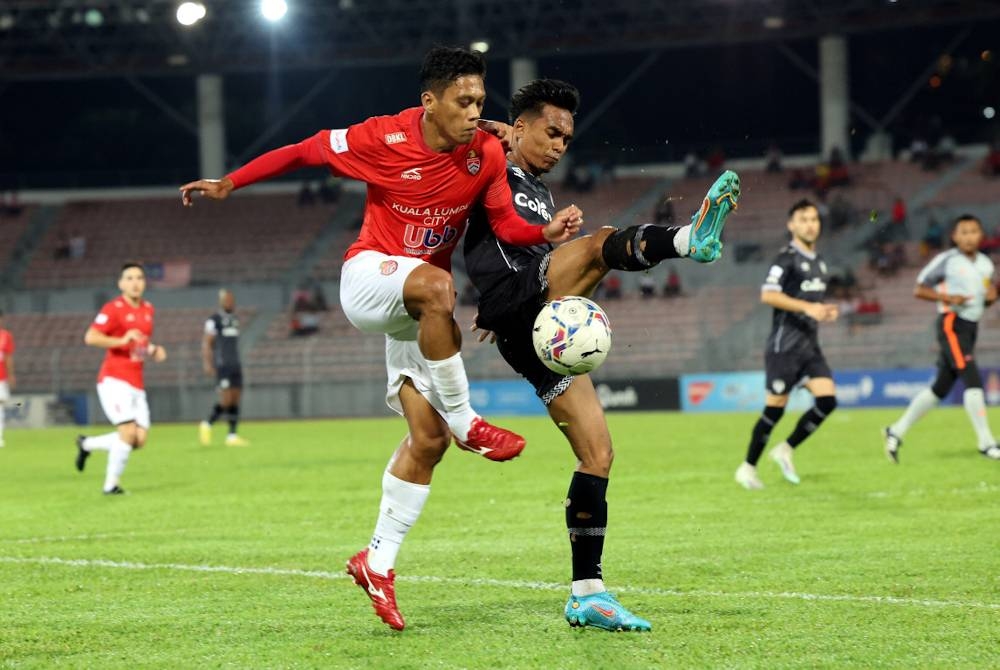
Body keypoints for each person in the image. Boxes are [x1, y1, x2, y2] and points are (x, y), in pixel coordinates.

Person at [179, 46, 581, 631]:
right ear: (430, 102)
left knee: (426, 441)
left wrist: (543, 229)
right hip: (370, 278)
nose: (475, 111)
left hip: (417, 305)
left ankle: (376, 561)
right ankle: (469, 420)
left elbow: (505, 221)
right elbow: (304, 149)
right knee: (440, 289)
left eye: (480, 101)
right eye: (463, 101)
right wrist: (229, 183)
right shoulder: (382, 138)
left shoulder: (486, 152)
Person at [463, 79, 739, 631]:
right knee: (599, 243)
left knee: (598, 453)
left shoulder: (536, 189)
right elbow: (454, 126)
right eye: (551, 131)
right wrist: (489, 127)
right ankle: (689, 240)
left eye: (567, 136)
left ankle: (587, 593)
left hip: (530, 321)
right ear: (518, 127)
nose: (561, 144)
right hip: (516, 297)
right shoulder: (485, 156)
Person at [735, 199, 839, 490]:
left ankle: (786, 448)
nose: (810, 224)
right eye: (803, 219)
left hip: (810, 347)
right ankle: (747, 468)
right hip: (784, 348)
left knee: (828, 400)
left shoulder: (819, 262)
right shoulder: (786, 258)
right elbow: (768, 295)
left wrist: (823, 309)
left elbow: (809, 302)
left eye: (814, 219)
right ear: (791, 225)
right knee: (775, 410)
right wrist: (807, 308)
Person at [883, 215, 1000, 462]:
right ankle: (986, 443)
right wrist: (947, 299)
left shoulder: (986, 265)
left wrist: (993, 295)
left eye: (974, 231)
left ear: (981, 235)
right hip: (951, 324)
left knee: (940, 389)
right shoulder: (946, 261)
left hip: (971, 327)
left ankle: (896, 430)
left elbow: (986, 299)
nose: (969, 237)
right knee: (973, 379)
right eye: (964, 232)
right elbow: (919, 288)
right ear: (955, 236)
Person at [74, 263, 168, 494]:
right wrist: (120, 340)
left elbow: (139, 344)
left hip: (137, 381)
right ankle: (111, 486)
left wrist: (154, 350)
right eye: (130, 278)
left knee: (139, 440)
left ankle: (87, 444)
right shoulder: (113, 308)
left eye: (139, 278)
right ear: (121, 283)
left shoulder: (148, 309)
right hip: (114, 379)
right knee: (127, 433)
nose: (135, 282)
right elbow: (91, 337)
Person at [199, 289, 249, 447]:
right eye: (227, 300)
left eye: (231, 300)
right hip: (223, 365)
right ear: (221, 302)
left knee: (236, 397)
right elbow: (207, 343)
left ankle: (232, 436)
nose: (230, 302)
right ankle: (207, 424)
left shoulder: (235, 320)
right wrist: (208, 363)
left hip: (235, 363)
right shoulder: (214, 320)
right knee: (226, 399)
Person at [0, 310, 15, 448]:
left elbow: (8, 358)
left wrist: (11, 375)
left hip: (1, 378)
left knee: (0, 408)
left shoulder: (6, 336)